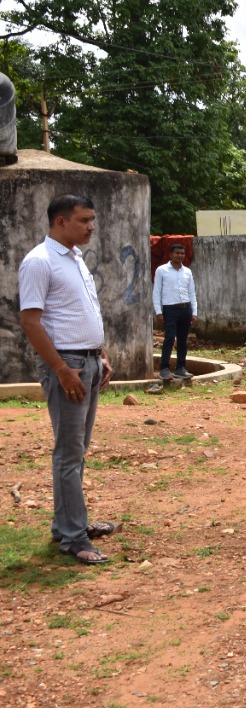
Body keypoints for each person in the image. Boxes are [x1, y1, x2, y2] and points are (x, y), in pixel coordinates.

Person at [18, 194, 117, 564]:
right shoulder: (39, 261)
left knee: (78, 449)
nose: (91, 227)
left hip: (87, 362)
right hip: (68, 367)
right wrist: (60, 369)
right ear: (61, 222)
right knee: (69, 453)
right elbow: (30, 321)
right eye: (84, 220)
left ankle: (67, 526)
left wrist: (100, 354)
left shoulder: (74, 258)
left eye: (92, 220)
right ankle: (74, 538)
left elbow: (80, 311)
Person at [152, 241, 198, 381]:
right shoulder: (161, 270)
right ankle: (164, 369)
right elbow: (157, 292)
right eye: (177, 253)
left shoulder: (187, 272)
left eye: (182, 253)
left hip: (185, 308)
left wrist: (194, 312)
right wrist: (158, 312)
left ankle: (180, 368)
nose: (180, 255)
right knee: (170, 338)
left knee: (183, 340)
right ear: (171, 255)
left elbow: (192, 293)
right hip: (170, 309)